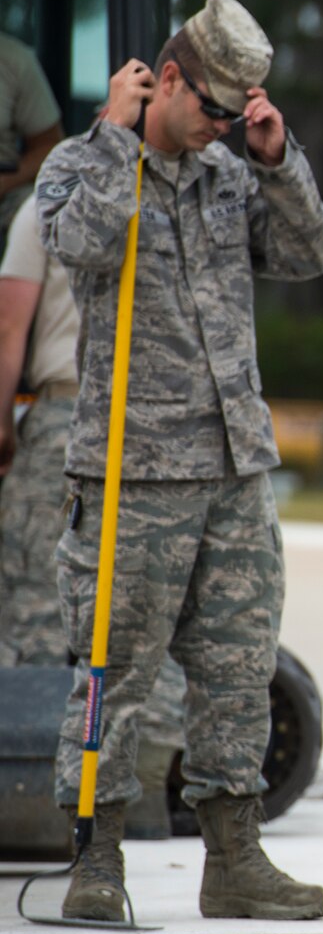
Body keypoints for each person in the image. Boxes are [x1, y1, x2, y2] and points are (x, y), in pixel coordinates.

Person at [40, 0, 323, 922]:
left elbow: (310, 252)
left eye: (237, 114)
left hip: (233, 465)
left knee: (239, 669)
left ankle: (234, 855)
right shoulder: (86, 163)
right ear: (164, 80)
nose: (221, 129)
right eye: (214, 109)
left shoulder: (230, 171)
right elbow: (80, 247)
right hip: (134, 469)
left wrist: (276, 157)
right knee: (115, 670)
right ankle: (97, 862)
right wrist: (122, 146)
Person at [0, 197, 188, 841]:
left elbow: (9, 324)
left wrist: (3, 422)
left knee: (40, 608)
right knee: (149, 610)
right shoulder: (173, 193)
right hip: (160, 425)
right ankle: (143, 797)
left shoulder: (52, 199)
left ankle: (40, 807)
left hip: (66, 415)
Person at [0, 29, 63, 233]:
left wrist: (4, 183)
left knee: (44, 210)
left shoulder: (13, 59)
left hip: (5, 199)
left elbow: (50, 146)